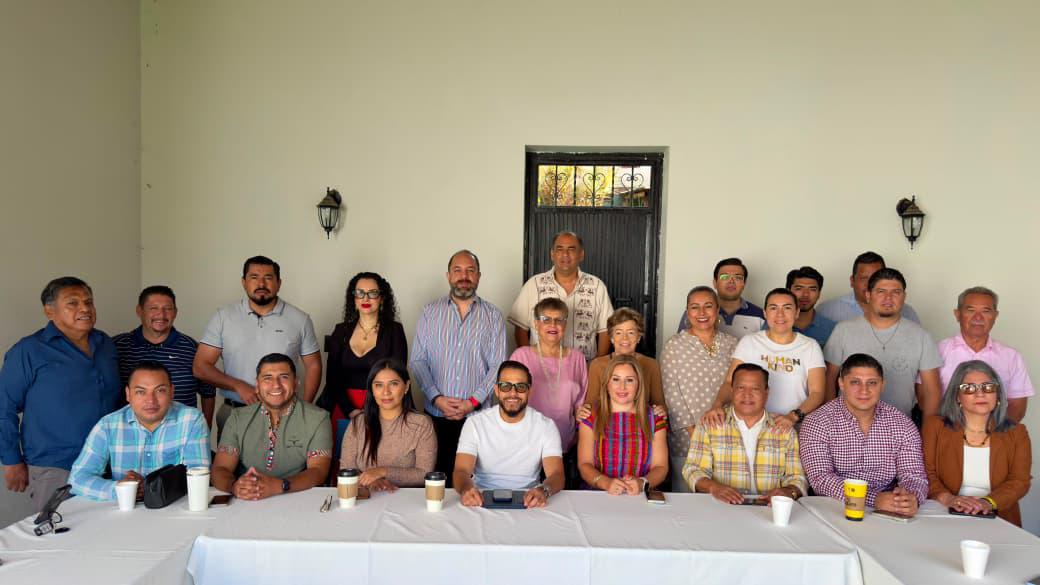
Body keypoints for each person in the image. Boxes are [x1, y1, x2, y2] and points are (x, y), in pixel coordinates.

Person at [0, 277, 122, 511]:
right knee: (60, 528)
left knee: (112, 528)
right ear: (50, 311)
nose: (85, 308)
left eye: (88, 302)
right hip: (57, 465)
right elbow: (4, 408)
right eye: (73, 303)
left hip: (109, 461)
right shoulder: (29, 350)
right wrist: (11, 461)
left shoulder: (105, 344)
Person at [194, 256, 322, 436]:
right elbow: (200, 367)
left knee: (287, 456)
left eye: (268, 278)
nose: (261, 284)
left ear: (279, 283)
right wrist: (238, 386)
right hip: (234, 412)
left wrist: (304, 409)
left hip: (284, 415)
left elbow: (314, 365)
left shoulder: (300, 319)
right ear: (244, 282)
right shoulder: (223, 317)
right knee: (228, 456)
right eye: (254, 277)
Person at [411, 250, 507, 486]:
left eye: (470, 270)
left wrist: (472, 402)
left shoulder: (493, 316)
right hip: (436, 416)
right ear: (448, 276)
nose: (464, 276)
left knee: (476, 484)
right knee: (437, 483)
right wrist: (437, 398)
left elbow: (498, 365)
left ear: (479, 276)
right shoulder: (429, 313)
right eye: (458, 270)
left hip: (477, 418)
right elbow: (418, 361)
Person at [800, 354, 928, 516]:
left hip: (889, 510)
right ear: (841, 384)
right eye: (855, 382)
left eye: (872, 383)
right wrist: (873, 498)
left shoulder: (902, 424)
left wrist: (910, 498)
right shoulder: (818, 422)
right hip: (833, 509)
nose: (864, 390)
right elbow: (821, 479)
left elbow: (914, 476)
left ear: (882, 385)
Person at [69, 361, 210, 500]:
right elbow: (76, 479)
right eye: (140, 392)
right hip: (125, 509)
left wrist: (148, 486)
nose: (151, 400)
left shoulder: (192, 420)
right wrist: (121, 489)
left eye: (160, 390)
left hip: (176, 507)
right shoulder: (108, 426)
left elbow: (199, 475)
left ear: (172, 392)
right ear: (128, 394)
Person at [922, 360, 1032, 526]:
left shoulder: (1017, 432)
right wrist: (948, 499)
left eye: (988, 387)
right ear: (957, 397)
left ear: (997, 394)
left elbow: (1020, 481)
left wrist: (987, 503)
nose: (980, 394)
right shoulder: (935, 427)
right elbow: (925, 472)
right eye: (969, 388)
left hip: (996, 517)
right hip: (943, 514)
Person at [823, 268, 942, 417]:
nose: (888, 298)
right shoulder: (843, 330)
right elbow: (829, 379)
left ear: (904, 297)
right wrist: (832, 420)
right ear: (868, 295)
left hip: (901, 425)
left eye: (896, 292)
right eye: (881, 292)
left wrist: (929, 429)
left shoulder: (921, 336)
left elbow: (931, 390)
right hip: (847, 424)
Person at [212, 353, 332, 500]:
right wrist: (235, 487)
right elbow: (220, 469)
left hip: (297, 499)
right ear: (257, 385)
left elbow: (318, 471)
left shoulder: (318, 418)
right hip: (248, 500)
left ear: (296, 383)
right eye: (267, 378)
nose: (276, 385)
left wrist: (280, 485)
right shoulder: (238, 418)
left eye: (284, 377)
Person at [703, 288, 825, 429]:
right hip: (750, 425)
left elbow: (817, 393)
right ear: (765, 313)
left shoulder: (810, 346)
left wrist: (792, 417)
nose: (780, 314)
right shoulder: (749, 342)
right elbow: (730, 382)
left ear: (797, 312)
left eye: (787, 308)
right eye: (773, 308)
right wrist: (717, 405)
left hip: (793, 427)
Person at [683, 364, 806, 503]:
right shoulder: (710, 425)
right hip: (722, 507)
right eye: (741, 388)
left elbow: (797, 477)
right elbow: (693, 469)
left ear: (766, 393)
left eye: (755, 389)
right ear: (732, 391)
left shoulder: (784, 430)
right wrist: (714, 487)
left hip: (768, 509)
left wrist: (788, 491)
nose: (747, 395)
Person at [453, 361, 564, 508]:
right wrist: (467, 490)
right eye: (506, 386)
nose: (513, 393)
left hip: (529, 500)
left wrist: (543, 491)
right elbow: (461, 471)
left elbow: (557, 475)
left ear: (529, 391)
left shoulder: (546, 426)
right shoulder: (475, 423)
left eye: (521, 387)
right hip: (480, 498)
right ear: (497, 390)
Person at [660, 286, 739, 491]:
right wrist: (693, 432)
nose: (701, 313)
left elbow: (737, 386)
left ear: (717, 309)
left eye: (708, 306)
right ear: (687, 312)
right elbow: (671, 394)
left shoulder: (733, 344)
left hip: (726, 434)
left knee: (725, 496)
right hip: (687, 437)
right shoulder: (674, 345)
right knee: (688, 497)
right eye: (695, 307)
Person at [113, 285, 216, 425]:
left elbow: (208, 393)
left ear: (175, 312)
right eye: (153, 308)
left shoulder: (192, 348)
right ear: (139, 311)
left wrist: (205, 428)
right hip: (129, 433)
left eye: (168, 309)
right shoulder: (117, 347)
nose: (161, 315)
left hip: (182, 432)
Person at [319, 272, 407, 433]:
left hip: (383, 404)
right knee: (343, 448)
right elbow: (332, 378)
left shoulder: (394, 331)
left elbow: (397, 377)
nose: (365, 298)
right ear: (353, 298)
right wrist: (350, 410)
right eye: (360, 293)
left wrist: (373, 410)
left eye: (372, 293)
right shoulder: (340, 331)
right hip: (343, 406)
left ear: (382, 298)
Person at [509, 231, 614, 361]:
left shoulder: (597, 287)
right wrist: (531, 361)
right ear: (552, 254)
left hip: (585, 366)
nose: (565, 254)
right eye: (559, 249)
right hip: (541, 367)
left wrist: (596, 365)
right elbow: (520, 329)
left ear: (581, 254)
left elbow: (605, 330)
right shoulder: (533, 285)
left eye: (571, 249)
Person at [937, 287, 1033, 422]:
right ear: (957, 314)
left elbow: (1017, 406)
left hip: (995, 432)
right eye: (971, 310)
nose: (978, 317)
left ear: (995, 316)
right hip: (947, 431)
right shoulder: (937, 351)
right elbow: (926, 399)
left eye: (986, 311)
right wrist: (949, 430)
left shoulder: (1011, 357)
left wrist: (988, 431)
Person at [339, 359, 436, 490]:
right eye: (378, 385)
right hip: (367, 497)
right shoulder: (358, 423)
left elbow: (424, 474)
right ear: (372, 389)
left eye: (393, 384)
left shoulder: (421, 424)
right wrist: (370, 482)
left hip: (407, 498)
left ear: (406, 386)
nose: (386, 392)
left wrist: (382, 472)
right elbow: (346, 469)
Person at [578, 354, 668, 494]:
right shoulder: (590, 416)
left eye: (629, 380)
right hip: (599, 495)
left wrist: (642, 483)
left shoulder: (655, 419)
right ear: (607, 384)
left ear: (639, 385)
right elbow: (585, 465)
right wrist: (606, 483)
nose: (622, 387)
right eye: (616, 379)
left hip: (639, 496)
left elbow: (661, 467)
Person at [509, 298, 588, 451]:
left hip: (566, 442)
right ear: (536, 324)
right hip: (527, 443)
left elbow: (581, 404)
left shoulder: (577, 358)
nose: (553, 324)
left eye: (559, 320)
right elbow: (510, 401)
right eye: (546, 319)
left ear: (565, 325)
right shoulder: (521, 356)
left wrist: (580, 434)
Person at [583, 307, 666, 415]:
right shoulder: (597, 365)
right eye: (619, 333)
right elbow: (590, 404)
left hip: (640, 422)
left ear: (639, 337)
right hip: (605, 422)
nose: (625, 338)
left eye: (631, 333)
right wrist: (583, 411)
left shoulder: (651, 365)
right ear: (611, 337)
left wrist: (661, 411)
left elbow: (659, 404)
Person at [816, 251, 921, 324]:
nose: (870, 283)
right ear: (852, 281)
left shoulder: (907, 312)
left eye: (876, 277)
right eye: (864, 278)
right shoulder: (827, 310)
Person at [676, 258, 764, 339]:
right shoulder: (696, 313)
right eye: (724, 277)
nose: (731, 281)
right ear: (715, 283)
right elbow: (681, 343)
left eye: (738, 277)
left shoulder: (760, 315)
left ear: (744, 284)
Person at [786, 266, 836, 347]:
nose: (805, 294)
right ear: (788, 292)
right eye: (799, 288)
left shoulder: (832, 329)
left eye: (812, 289)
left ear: (819, 294)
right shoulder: (773, 324)